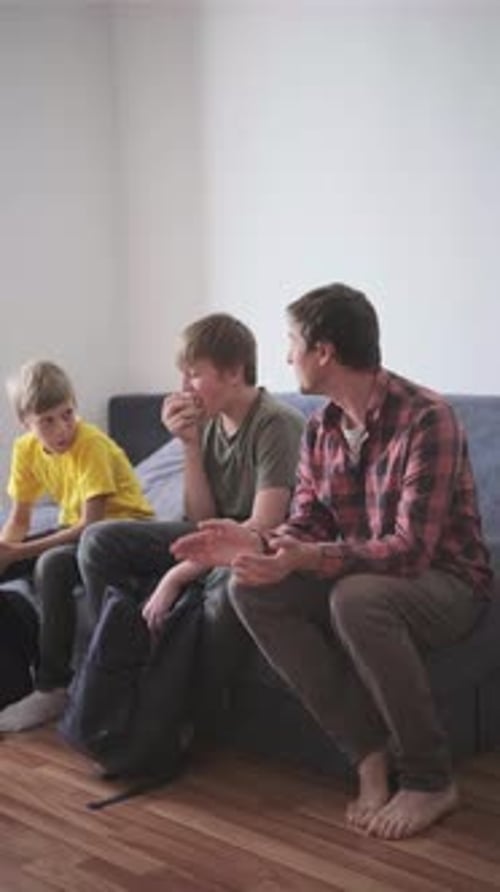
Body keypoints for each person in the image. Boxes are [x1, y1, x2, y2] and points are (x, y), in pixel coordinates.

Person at [171, 283, 493, 840]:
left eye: (292, 342)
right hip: (363, 571)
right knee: (250, 588)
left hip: (447, 583)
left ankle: (430, 779)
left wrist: (309, 557)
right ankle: (368, 754)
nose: (286, 356)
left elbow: (410, 550)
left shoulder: (427, 419)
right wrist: (256, 546)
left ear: (324, 351)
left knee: (355, 598)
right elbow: (307, 523)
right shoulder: (322, 428)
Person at [78, 312, 305, 728]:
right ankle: (116, 676)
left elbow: (260, 530)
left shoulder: (276, 423)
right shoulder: (212, 423)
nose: (183, 387)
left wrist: (175, 576)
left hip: (253, 546)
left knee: (230, 582)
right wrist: (189, 444)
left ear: (234, 372)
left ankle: (186, 717)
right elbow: (202, 519)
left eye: (194, 374)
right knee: (97, 541)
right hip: (214, 538)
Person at [0, 360, 154, 731]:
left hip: (121, 531)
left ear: (75, 404)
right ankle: (12, 681)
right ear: (25, 422)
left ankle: (53, 685)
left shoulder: (91, 444)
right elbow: (19, 520)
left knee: (51, 563)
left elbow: (91, 525)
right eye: (47, 421)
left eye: (67, 414)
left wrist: (19, 553)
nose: (62, 428)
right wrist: (5, 552)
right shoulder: (25, 450)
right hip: (75, 529)